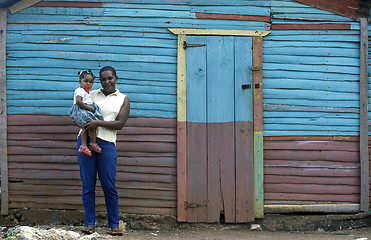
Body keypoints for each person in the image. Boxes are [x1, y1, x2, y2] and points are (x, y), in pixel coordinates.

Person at [77, 66, 130, 236]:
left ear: (116, 78)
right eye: (103, 79)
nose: (107, 82)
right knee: (88, 185)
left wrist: (97, 123)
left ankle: (114, 224)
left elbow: (120, 124)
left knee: (109, 185)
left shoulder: (123, 99)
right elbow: (79, 109)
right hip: (86, 142)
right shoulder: (91, 94)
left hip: (106, 144)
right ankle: (90, 224)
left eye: (110, 78)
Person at [69, 70, 103, 157]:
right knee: (90, 126)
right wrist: (90, 108)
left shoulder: (86, 92)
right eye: (85, 81)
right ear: (80, 81)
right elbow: (78, 102)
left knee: (87, 127)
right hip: (82, 110)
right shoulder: (80, 90)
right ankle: (90, 144)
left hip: (84, 110)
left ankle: (86, 145)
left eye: (91, 82)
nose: (88, 84)